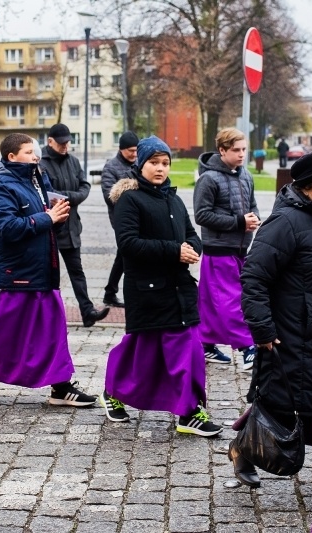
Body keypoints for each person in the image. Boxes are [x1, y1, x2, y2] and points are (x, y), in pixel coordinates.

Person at [236, 149, 312, 489]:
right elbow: (254, 276)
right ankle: (244, 448)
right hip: (287, 334)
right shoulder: (285, 222)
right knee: (281, 404)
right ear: (308, 186)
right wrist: (263, 328)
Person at [100, 135, 222, 438]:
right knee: (144, 351)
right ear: (141, 164)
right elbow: (128, 244)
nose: (160, 168)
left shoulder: (174, 198)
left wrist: (193, 248)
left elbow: (192, 233)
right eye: (154, 162)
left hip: (179, 289)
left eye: (165, 163)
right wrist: (173, 250)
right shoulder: (129, 200)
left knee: (181, 351)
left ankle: (188, 410)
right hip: (148, 291)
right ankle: (183, 410)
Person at [0, 133, 97, 408]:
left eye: (35, 151)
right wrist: (46, 218)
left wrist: (57, 216)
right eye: (28, 152)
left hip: (41, 272)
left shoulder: (37, 178)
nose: (35, 156)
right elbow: (5, 227)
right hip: (11, 275)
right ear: (12, 156)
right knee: (3, 334)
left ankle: (60, 386)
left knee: (52, 330)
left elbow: (42, 219)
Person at [193, 128, 259, 367]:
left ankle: (206, 343)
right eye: (236, 150)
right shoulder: (208, 179)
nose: (241, 155)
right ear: (222, 151)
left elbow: (252, 205)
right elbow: (202, 215)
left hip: (241, 249)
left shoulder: (246, 175)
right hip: (218, 249)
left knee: (211, 300)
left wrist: (253, 220)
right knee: (232, 300)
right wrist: (239, 222)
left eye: (244, 149)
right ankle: (247, 346)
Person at [39, 123, 110, 327]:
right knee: (49, 275)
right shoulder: (41, 164)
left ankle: (87, 312)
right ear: (50, 141)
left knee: (77, 271)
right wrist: (72, 197)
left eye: (68, 142)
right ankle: (48, 315)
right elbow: (47, 193)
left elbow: (84, 186)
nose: (65, 146)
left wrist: (68, 198)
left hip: (71, 229)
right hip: (50, 229)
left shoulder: (73, 161)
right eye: (61, 143)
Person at [100, 130, 139, 308]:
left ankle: (110, 292)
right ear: (121, 149)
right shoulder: (111, 167)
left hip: (140, 216)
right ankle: (113, 292)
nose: (134, 154)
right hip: (121, 219)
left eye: (136, 150)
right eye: (130, 150)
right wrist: (131, 191)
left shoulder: (139, 163)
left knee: (124, 255)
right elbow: (110, 196)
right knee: (126, 254)